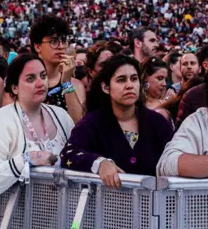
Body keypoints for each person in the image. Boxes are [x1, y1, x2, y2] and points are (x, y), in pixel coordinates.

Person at [61, 55, 174, 186]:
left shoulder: (157, 122)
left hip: (151, 204)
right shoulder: (93, 122)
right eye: (121, 80)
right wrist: (99, 163)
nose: (129, 85)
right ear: (106, 87)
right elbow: (69, 154)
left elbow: (173, 157)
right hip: (110, 203)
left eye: (134, 79)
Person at [0, 53, 74, 199]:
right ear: (15, 88)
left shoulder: (61, 116)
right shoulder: (1, 121)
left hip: (62, 215)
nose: (40, 83)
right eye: (30, 79)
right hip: (16, 217)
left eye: (43, 76)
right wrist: (26, 159)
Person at [29, 15, 85, 122]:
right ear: (37, 46)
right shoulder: (24, 83)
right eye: (54, 41)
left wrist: (66, 83)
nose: (61, 46)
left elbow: (79, 125)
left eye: (63, 40)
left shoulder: (75, 85)